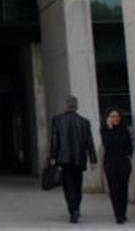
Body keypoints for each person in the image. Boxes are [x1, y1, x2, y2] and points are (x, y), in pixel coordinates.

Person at [50, 95, 98, 223]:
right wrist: (93, 159)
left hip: (64, 159)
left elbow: (55, 141)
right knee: (77, 184)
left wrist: (53, 157)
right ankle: (76, 206)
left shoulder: (57, 120)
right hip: (79, 158)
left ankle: (73, 209)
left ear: (65, 106)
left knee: (68, 185)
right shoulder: (84, 122)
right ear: (76, 106)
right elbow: (89, 141)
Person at [101, 107, 134, 224]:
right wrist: (109, 129)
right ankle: (118, 214)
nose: (115, 119)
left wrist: (129, 156)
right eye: (112, 116)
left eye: (116, 116)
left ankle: (123, 213)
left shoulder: (124, 130)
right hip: (110, 163)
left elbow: (129, 146)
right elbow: (107, 144)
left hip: (123, 163)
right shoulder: (105, 130)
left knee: (123, 188)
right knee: (114, 189)